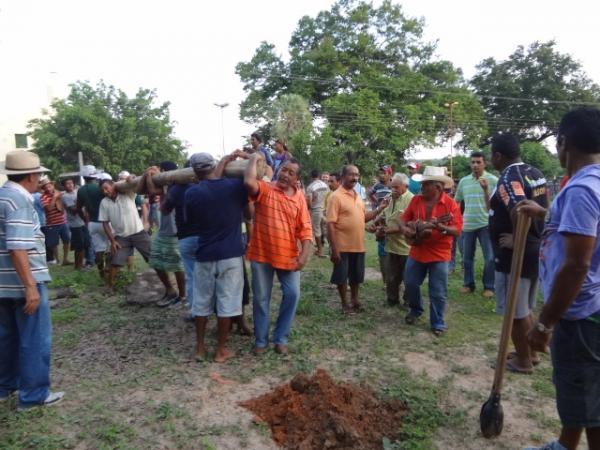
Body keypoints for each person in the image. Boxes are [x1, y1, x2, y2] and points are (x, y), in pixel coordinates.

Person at [520, 107, 600, 450]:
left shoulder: (581, 189)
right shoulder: (592, 184)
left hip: (579, 313)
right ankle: (565, 445)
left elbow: (577, 264)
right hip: (590, 308)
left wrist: (545, 323)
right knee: (583, 393)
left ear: (563, 142)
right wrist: (543, 212)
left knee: (587, 397)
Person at [0, 150, 64, 410]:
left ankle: (6, 387)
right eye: (39, 174)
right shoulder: (20, 200)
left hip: (3, 282)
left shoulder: (3, 195)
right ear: (32, 175)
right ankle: (34, 395)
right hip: (23, 281)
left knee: (7, 338)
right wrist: (30, 287)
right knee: (34, 339)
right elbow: (17, 247)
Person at [242, 152, 313, 355]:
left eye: (291, 173)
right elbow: (248, 182)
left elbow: (305, 228)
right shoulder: (266, 188)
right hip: (261, 254)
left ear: (296, 179)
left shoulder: (299, 197)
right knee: (261, 298)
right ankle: (261, 341)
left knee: (292, 294)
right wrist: (254, 159)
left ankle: (280, 338)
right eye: (284, 170)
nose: (285, 175)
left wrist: (304, 255)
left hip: (288, 256)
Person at [488, 133, 547, 374]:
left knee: (514, 311)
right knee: (525, 308)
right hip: (534, 252)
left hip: (516, 257)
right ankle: (530, 353)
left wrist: (518, 239)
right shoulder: (535, 172)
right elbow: (542, 207)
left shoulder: (508, 177)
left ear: (498, 155)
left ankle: (522, 360)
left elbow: (521, 209)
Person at [184, 152, 248, 362]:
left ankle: (200, 349)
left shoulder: (192, 193)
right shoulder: (234, 187)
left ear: (194, 171)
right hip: (230, 254)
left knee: (201, 303)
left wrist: (223, 162)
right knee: (227, 303)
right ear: (213, 165)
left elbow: (192, 218)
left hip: (204, 254)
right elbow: (248, 212)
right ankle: (220, 350)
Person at [399, 166, 463, 336]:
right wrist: (406, 230)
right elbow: (402, 219)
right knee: (410, 283)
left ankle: (438, 323)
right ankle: (416, 309)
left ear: (438, 187)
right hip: (417, 250)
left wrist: (441, 226)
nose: (422, 186)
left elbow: (457, 230)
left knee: (438, 290)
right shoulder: (416, 200)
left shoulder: (450, 205)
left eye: (426, 184)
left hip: (440, 253)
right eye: (423, 183)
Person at [327, 165, 390, 314]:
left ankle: (355, 301)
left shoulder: (357, 196)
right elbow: (330, 224)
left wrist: (379, 209)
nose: (355, 178)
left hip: (358, 245)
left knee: (356, 276)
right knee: (342, 277)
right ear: (343, 176)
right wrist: (334, 249)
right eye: (351, 175)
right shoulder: (335, 196)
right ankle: (344, 304)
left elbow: (363, 218)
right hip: (342, 246)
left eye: (357, 175)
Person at [98, 179, 173, 297]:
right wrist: (112, 240)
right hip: (121, 237)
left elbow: (135, 183)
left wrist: (129, 179)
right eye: (102, 190)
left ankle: (169, 288)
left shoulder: (127, 194)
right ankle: (110, 287)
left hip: (138, 233)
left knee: (155, 260)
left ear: (113, 186)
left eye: (107, 188)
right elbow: (105, 223)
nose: (105, 191)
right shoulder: (104, 202)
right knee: (115, 262)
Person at [140, 162, 186, 308]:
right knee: (155, 261)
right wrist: (148, 174)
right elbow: (143, 190)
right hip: (164, 231)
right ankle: (170, 290)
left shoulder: (175, 185)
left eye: (160, 170)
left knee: (178, 266)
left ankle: (182, 296)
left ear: (165, 171)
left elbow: (152, 191)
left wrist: (148, 174)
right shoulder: (166, 185)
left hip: (175, 232)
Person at [454, 152, 498, 297]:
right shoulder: (464, 181)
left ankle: (489, 286)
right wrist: (457, 219)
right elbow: (457, 201)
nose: (475, 165)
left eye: (478, 162)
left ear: (485, 163)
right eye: (473, 162)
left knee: (490, 257)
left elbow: (497, 204)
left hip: (486, 225)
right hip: (467, 225)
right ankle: (468, 284)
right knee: (467, 257)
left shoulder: (493, 180)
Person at [380, 173, 414, 307]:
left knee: (408, 278)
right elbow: (383, 216)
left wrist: (387, 230)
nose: (393, 189)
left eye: (396, 187)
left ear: (405, 186)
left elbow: (410, 224)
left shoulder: (412, 200)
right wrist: (377, 226)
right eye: (392, 186)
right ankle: (392, 299)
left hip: (406, 247)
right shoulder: (389, 198)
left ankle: (408, 301)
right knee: (391, 276)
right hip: (391, 245)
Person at [77, 165, 109, 278]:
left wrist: (85, 220)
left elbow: (78, 208)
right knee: (110, 247)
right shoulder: (100, 187)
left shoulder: (80, 190)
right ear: (94, 175)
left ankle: (101, 273)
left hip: (92, 223)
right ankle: (110, 271)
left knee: (98, 249)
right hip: (106, 222)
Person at [368, 165, 393, 283]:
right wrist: (375, 203)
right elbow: (369, 193)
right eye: (380, 173)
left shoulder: (394, 185)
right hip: (380, 217)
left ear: (389, 174)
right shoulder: (377, 185)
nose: (381, 175)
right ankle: (385, 280)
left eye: (384, 173)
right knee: (382, 242)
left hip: (392, 217)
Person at [40, 177, 71, 265]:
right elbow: (49, 209)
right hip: (52, 223)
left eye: (49, 186)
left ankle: (65, 259)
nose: (48, 188)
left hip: (63, 222)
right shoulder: (43, 197)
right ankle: (57, 260)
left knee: (66, 240)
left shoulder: (59, 194)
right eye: (45, 187)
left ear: (52, 185)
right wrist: (54, 197)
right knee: (54, 243)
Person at [61, 178, 89, 270]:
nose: (70, 185)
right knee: (79, 245)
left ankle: (81, 263)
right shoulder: (65, 196)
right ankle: (78, 266)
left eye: (71, 183)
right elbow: (73, 210)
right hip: (75, 224)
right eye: (67, 184)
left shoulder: (77, 192)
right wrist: (81, 203)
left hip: (82, 222)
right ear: (64, 186)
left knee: (84, 244)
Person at [305, 169, 329, 257]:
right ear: (319, 176)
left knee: (317, 230)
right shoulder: (325, 185)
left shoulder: (310, 187)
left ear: (311, 176)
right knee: (325, 230)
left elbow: (310, 201)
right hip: (324, 209)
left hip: (316, 210)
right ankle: (330, 247)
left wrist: (309, 208)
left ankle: (320, 251)